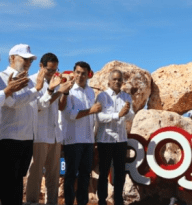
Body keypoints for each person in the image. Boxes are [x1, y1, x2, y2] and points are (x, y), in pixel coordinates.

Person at [0, 44, 48, 205]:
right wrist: (37, 89)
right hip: (9, 138)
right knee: (8, 182)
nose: (28, 63)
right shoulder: (3, 77)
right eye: (24, 59)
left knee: (18, 182)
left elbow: (36, 107)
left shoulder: (28, 82)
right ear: (12, 58)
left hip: (27, 138)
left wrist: (49, 91)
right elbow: (11, 103)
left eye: (30, 60)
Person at [25, 53, 75, 205]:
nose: (53, 73)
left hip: (55, 135)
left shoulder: (56, 81)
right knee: (36, 174)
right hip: (39, 135)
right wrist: (55, 90)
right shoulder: (31, 82)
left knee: (54, 175)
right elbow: (39, 107)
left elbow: (60, 106)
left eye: (55, 69)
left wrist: (64, 91)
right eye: (49, 69)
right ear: (41, 66)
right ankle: (32, 202)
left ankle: (52, 202)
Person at [60, 61, 102, 205]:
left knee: (85, 176)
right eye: (77, 72)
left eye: (83, 73)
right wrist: (91, 110)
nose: (80, 75)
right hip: (73, 140)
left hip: (88, 140)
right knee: (71, 175)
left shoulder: (90, 91)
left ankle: (82, 202)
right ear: (73, 73)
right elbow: (69, 115)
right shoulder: (68, 90)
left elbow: (94, 117)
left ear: (88, 74)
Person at [96, 70, 135, 205]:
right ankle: (102, 200)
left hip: (121, 140)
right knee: (103, 172)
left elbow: (131, 116)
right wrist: (117, 115)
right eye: (114, 79)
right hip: (105, 139)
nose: (117, 82)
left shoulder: (126, 97)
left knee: (120, 172)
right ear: (109, 81)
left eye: (119, 80)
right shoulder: (102, 96)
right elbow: (99, 117)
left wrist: (127, 112)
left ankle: (118, 199)